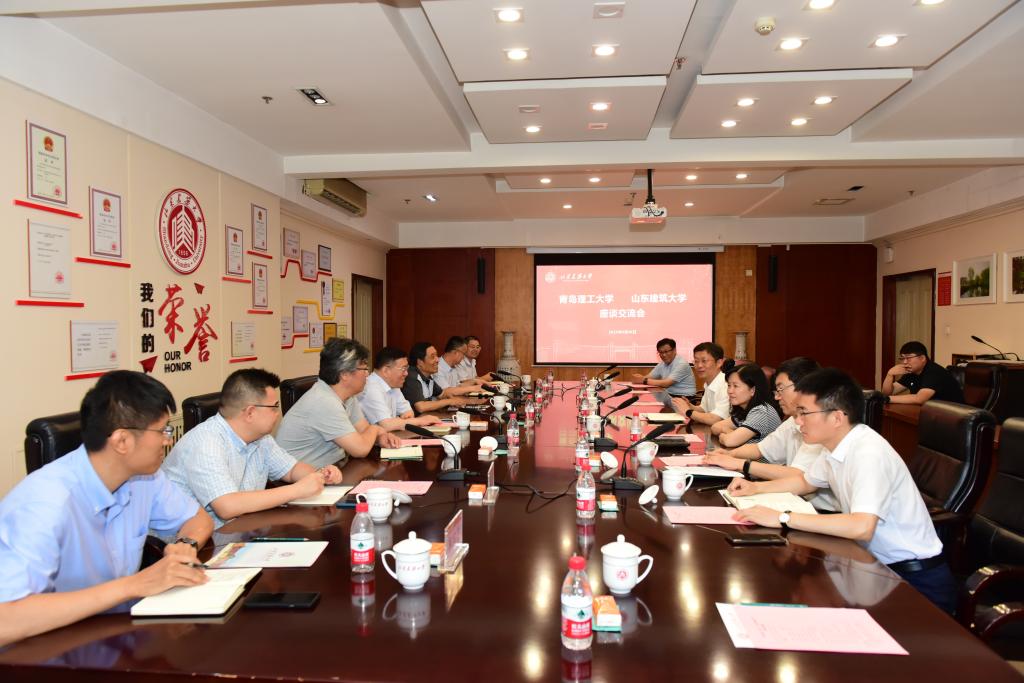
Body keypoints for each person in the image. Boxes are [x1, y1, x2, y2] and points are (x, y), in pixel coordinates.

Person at [0, 371, 213, 646]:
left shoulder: (145, 478)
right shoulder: (45, 504)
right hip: (47, 650)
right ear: (122, 441)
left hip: (114, 637)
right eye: (162, 431)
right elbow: (6, 620)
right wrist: (133, 585)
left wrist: (185, 544)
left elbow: (198, 519)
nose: (167, 440)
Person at [729, 368, 956, 613]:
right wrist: (755, 488)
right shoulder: (835, 446)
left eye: (804, 413)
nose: (798, 421)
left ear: (837, 417)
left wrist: (784, 518)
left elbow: (862, 526)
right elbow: (805, 482)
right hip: (870, 566)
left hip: (912, 580)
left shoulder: (868, 453)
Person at [162, 368, 344, 528]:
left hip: (242, 529)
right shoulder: (206, 442)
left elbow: (291, 470)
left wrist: (320, 475)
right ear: (250, 412)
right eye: (274, 407)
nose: (278, 414)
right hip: (195, 543)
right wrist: (297, 490)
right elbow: (227, 507)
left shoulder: (261, 438)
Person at [704, 357, 837, 511]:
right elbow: (760, 449)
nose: (776, 396)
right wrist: (729, 455)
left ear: (805, 387)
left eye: (781, 389)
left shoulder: (821, 427)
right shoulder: (792, 421)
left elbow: (800, 477)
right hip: (796, 500)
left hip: (819, 510)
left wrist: (742, 464)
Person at [277, 337, 401, 469]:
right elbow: (360, 449)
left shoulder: (347, 396)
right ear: (344, 374)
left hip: (333, 468)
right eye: (364, 369)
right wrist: (375, 429)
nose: (367, 374)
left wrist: (381, 436)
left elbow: (363, 429)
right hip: (301, 477)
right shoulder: (324, 402)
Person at [359, 346, 442, 430]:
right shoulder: (370, 388)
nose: (406, 373)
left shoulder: (393, 384)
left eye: (407, 369)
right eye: (403, 369)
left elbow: (408, 413)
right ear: (386, 371)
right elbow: (387, 425)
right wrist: (421, 420)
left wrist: (398, 422)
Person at [711, 363, 781, 447]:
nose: (730, 391)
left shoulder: (761, 412)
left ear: (752, 390)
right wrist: (731, 433)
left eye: (735, 386)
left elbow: (729, 441)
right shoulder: (744, 409)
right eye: (729, 385)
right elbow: (715, 427)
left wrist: (729, 435)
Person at [402, 341, 482, 414]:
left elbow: (442, 393)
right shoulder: (412, 376)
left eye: (436, 355)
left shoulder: (428, 377)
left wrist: (459, 400)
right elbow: (421, 407)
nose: (437, 360)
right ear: (420, 362)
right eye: (432, 357)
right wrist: (449, 401)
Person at [882, 341, 964, 405]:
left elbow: (920, 399)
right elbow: (888, 393)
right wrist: (889, 375)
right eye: (902, 358)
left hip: (954, 415)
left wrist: (888, 399)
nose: (904, 362)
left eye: (908, 358)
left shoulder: (934, 371)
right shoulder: (911, 372)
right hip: (931, 412)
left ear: (922, 358)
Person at [672, 341, 730, 425]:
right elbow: (704, 409)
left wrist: (688, 411)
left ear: (719, 363)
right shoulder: (709, 383)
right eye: (696, 361)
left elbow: (716, 419)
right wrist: (689, 406)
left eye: (704, 361)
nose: (699, 365)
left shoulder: (726, 385)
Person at [630, 337, 696, 397]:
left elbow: (666, 383)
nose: (663, 355)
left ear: (674, 350)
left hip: (685, 398)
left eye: (666, 351)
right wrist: (639, 378)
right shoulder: (662, 364)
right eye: (660, 352)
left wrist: (643, 380)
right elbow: (648, 377)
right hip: (670, 395)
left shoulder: (681, 363)